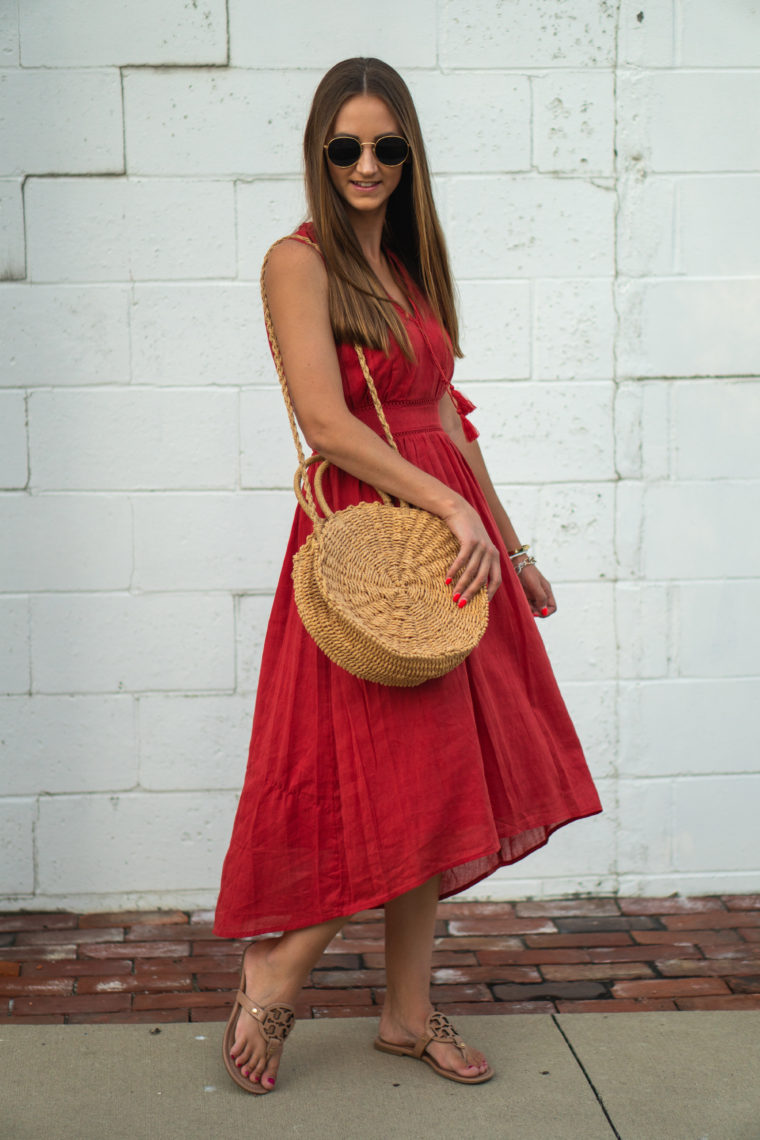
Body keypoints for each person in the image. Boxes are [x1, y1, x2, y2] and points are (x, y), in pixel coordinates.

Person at [214, 56, 602, 1094]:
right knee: (386, 775)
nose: (367, 164)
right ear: (319, 152)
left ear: (410, 155)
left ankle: (404, 1013)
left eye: (388, 146)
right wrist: (447, 506)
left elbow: (447, 424)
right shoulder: (296, 261)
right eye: (347, 146)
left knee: (442, 783)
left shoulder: (411, 266)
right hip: (371, 543)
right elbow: (327, 422)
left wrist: (510, 548)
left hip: (450, 545)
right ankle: (279, 961)